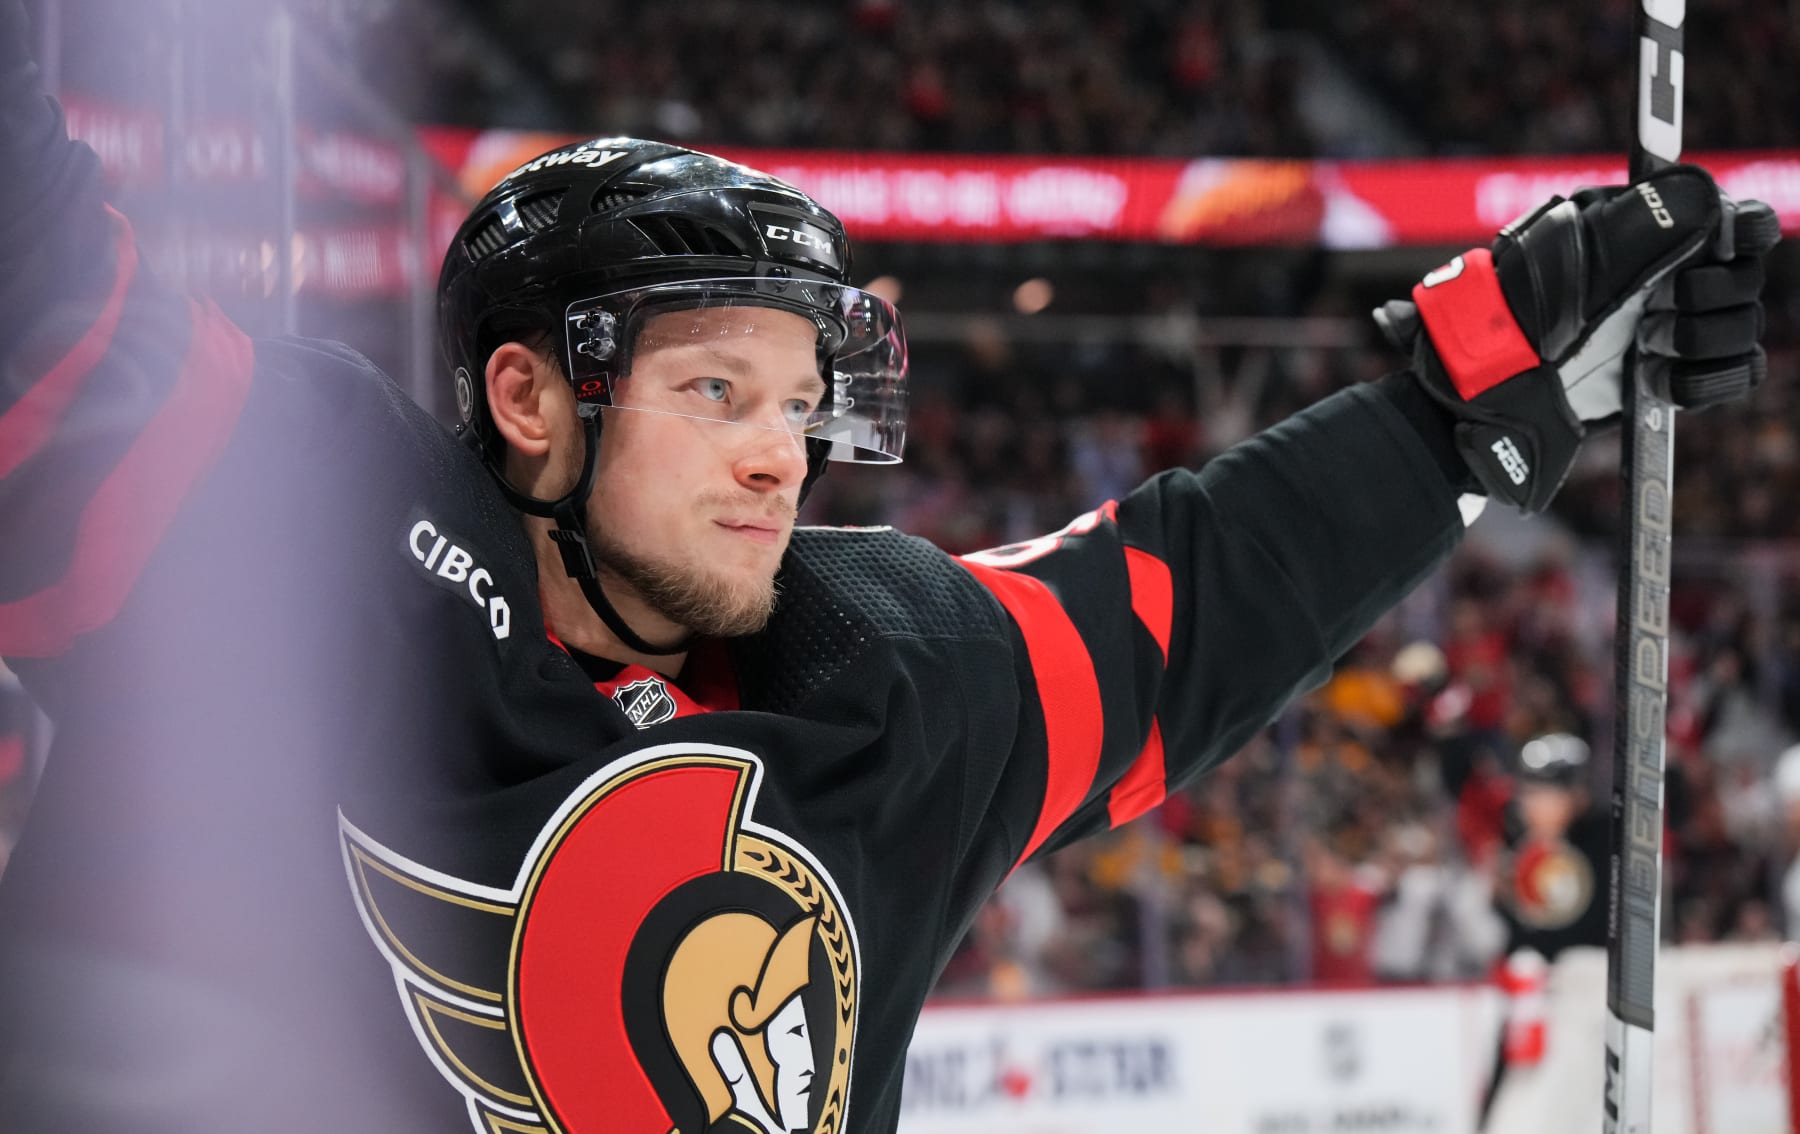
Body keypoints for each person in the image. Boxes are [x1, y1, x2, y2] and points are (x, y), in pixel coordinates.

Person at [0, 4, 1780, 1132]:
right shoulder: (317, 540)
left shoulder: (880, 673)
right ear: (528, 397)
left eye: (800, 400)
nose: (781, 449)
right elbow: (41, 304)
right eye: (715, 392)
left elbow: (1183, 602)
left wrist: (1490, 396)